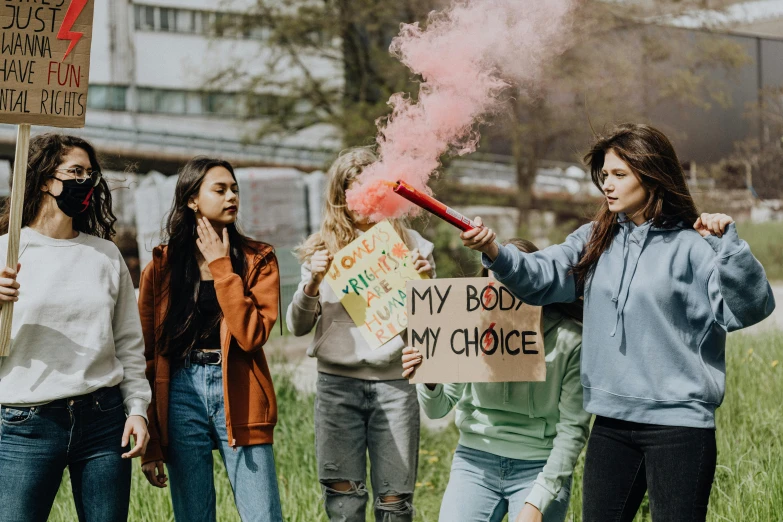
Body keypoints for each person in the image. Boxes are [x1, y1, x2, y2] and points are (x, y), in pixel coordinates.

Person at [462, 123, 776, 522]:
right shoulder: (593, 239)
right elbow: (538, 277)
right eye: (604, 176)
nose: (607, 185)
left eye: (619, 175)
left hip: (679, 427)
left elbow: (752, 307)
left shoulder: (695, 244)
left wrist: (730, 248)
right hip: (610, 423)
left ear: (651, 175)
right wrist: (494, 250)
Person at [0, 133, 150, 522]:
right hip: (25, 424)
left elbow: (129, 344)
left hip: (103, 421)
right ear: (46, 179)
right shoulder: (7, 251)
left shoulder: (105, 254)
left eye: (90, 173)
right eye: (75, 172)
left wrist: (138, 410)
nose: (85, 182)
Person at [287, 147, 435, 521]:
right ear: (339, 197)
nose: (362, 201)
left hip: (396, 387)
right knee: (343, 501)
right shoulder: (321, 249)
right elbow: (296, 326)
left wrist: (426, 283)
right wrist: (312, 284)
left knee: (395, 503)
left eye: (370, 189)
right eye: (351, 191)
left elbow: (432, 328)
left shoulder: (415, 246)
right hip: (338, 387)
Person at [402, 238, 590, 522]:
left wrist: (537, 502)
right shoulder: (468, 327)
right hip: (474, 460)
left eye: (515, 278)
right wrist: (428, 379)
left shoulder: (570, 340)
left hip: (540, 465)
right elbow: (437, 409)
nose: (504, 290)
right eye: (496, 281)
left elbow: (572, 432)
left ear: (537, 281)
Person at [138, 157, 283, 521]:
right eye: (220, 189)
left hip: (240, 390)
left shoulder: (258, 259)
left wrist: (221, 267)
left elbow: (251, 336)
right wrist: (153, 442)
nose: (231, 196)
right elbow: (147, 354)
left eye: (234, 189)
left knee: (262, 514)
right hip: (180, 393)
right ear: (192, 199)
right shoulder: (162, 266)